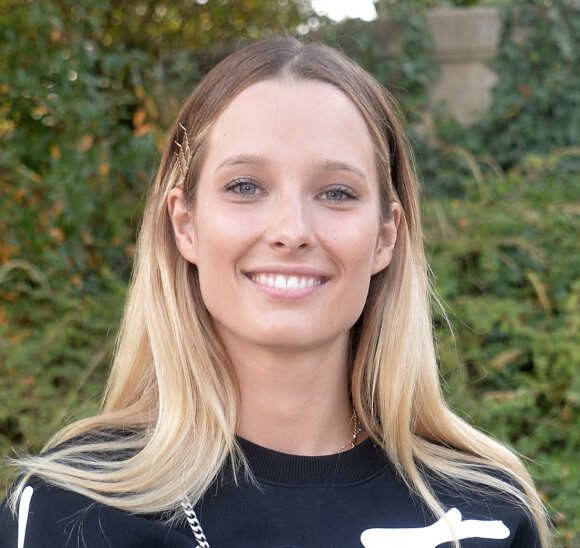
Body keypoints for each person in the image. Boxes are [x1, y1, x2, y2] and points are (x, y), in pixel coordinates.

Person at [0, 37, 551, 548]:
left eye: (336, 192)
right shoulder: (67, 510)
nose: (292, 230)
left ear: (385, 236)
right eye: (245, 186)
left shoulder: (486, 515)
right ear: (185, 224)